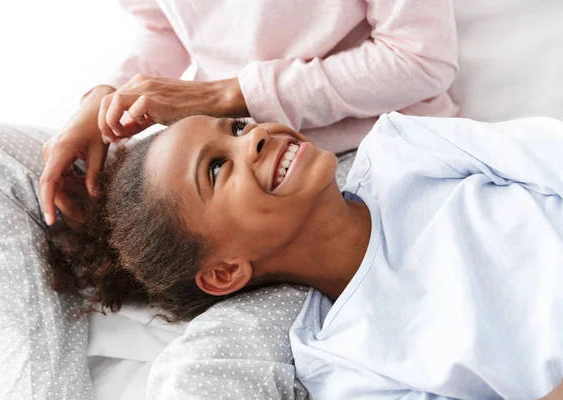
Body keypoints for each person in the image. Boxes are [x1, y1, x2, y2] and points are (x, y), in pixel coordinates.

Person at [48, 111, 563, 399]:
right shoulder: (340, 365)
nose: (252, 140)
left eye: (235, 126)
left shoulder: (403, 149)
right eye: (215, 170)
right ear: (226, 272)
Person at [39, 0, 459, 227]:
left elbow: (421, 60)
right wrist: (106, 96)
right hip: (239, 168)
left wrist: (232, 94)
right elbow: (163, 26)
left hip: (380, 145)